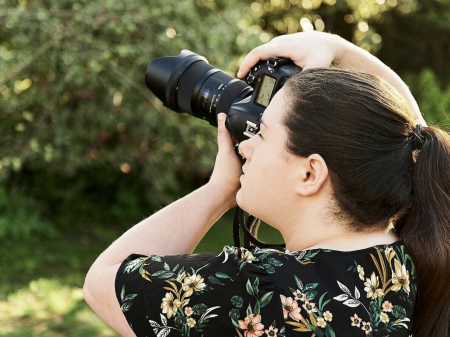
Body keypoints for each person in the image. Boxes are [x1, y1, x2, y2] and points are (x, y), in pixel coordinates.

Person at [83, 31, 450, 337]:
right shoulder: (402, 261)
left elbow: (102, 282)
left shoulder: (256, 293)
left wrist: (219, 191)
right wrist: (335, 48)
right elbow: (409, 136)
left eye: (263, 133)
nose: (245, 144)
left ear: (310, 174)